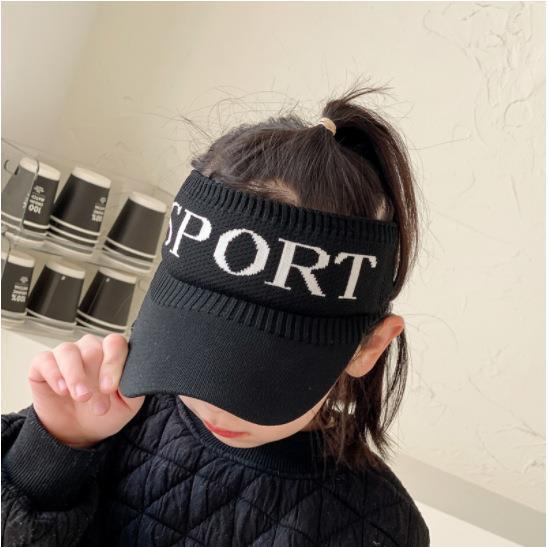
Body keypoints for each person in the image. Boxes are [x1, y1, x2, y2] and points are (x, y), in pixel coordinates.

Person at [1, 83, 430, 546]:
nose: (213, 402)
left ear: (369, 347)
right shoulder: (110, 412)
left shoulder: (380, 527)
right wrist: (55, 448)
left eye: (260, 372)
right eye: (195, 347)